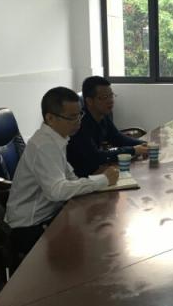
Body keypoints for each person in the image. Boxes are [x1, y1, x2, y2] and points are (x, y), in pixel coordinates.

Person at [6, 87, 119, 255]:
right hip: (29, 227)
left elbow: (70, 178)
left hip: (50, 215)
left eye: (79, 115)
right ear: (50, 118)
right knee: (91, 245)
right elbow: (57, 191)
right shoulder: (45, 145)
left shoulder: (57, 138)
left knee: (98, 227)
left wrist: (99, 183)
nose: (78, 121)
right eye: (72, 117)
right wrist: (102, 180)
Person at [67, 76, 148, 177]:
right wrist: (134, 150)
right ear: (89, 101)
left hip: (97, 171)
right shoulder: (79, 124)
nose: (110, 101)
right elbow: (96, 156)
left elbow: (118, 138)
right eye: (105, 97)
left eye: (111, 95)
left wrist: (144, 144)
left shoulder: (103, 115)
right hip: (81, 178)